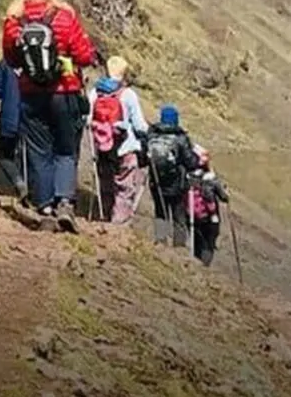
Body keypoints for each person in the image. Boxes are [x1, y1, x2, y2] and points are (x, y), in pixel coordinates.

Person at [0, 0, 103, 230]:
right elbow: (83, 56)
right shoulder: (63, 16)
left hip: (31, 94)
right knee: (65, 149)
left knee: (38, 150)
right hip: (64, 91)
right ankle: (65, 203)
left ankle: (44, 206)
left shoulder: (13, 22)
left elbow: (10, 60)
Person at [96, 55, 152, 224]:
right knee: (125, 187)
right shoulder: (128, 94)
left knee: (106, 184)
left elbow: (89, 118)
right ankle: (118, 224)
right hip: (126, 147)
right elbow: (139, 125)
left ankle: (104, 217)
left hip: (103, 146)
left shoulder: (95, 92)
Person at [144, 104, 200, 251]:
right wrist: (197, 158)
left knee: (160, 212)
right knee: (178, 216)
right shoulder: (180, 138)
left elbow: (144, 157)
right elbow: (191, 163)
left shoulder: (152, 134)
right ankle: (179, 248)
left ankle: (160, 243)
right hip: (177, 184)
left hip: (156, 182)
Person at [0, 60, 24, 196]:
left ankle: (17, 183)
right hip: (32, 121)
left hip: (9, 119)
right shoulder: (40, 64)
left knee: (5, 156)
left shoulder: (7, 63)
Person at [189, 145, 231, 267]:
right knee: (209, 240)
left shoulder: (189, 176)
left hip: (193, 213)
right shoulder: (211, 179)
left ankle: (196, 259)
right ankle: (205, 265)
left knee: (197, 239)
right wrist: (226, 192)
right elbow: (224, 197)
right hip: (210, 216)